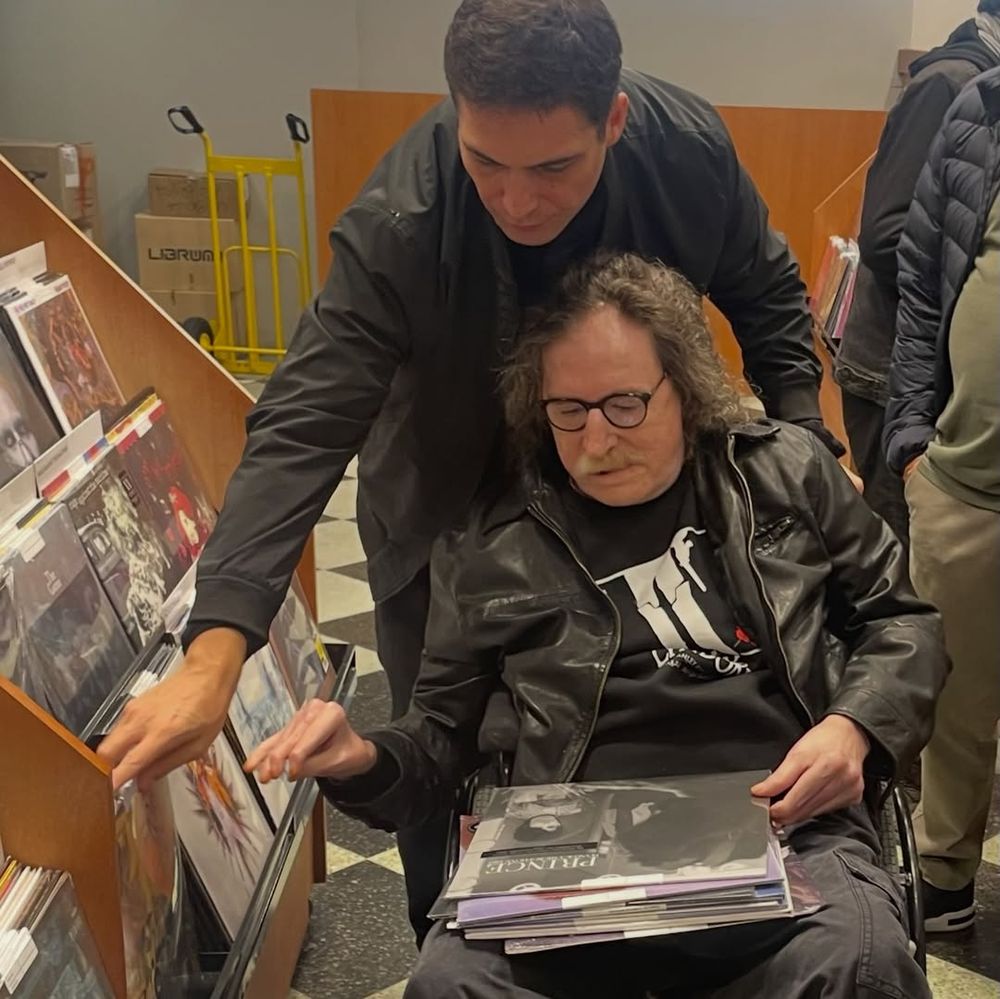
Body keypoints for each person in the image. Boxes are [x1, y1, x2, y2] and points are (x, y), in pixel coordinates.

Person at [98, 0, 846, 937]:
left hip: (634, 491)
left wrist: (808, 450)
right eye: (485, 161)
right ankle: (453, 942)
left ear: (612, 121)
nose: (518, 199)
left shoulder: (687, 151)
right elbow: (304, 419)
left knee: (647, 720)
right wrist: (217, 648)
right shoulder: (401, 217)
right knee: (438, 762)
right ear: (455, 112)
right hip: (446, 506)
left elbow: (770, 298)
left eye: (553, 167)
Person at [248, 254, 946, 998]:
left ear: (684, 387)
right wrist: (359, 758)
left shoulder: (783, 472)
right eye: (568, 411)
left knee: (860, 969)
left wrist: (854, 727)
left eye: (624, 405)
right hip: (571, 853)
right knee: (452, 984)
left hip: (785, 821)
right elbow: (440, 740)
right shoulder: (490, 539)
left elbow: (901, 620)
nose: (595, 442)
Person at [884, 65, 1000, 935]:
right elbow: (921, 284)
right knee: (952, 699)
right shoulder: (978, 111)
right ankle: (944, 874)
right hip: (963, 481)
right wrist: (913, 440)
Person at [835, 0, 1000, 546]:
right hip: (891, 377)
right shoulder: (953, 82)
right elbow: (884, 233)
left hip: (932, 392)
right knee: (898, 569)